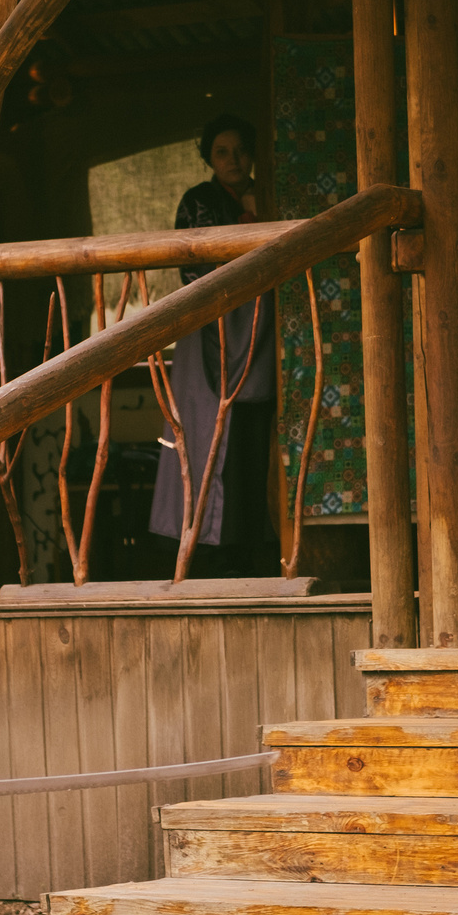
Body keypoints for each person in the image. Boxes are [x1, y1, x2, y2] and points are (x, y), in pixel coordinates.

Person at [148, 114, 277, 575]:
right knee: (204, 436)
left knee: (249, 440)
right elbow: (196, 270)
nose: (233, 160)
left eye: (240, 149)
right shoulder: (199, 202)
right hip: (213, 328)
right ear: (208, 158)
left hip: (259, 332)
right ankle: (203, 546)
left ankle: (248, 541)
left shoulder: (269, 195)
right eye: (222, 152)